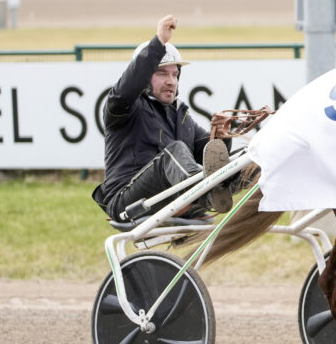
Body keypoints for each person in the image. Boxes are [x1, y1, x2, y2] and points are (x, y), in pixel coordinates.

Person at [92, 14, 232, 221]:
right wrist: (158, 43)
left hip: (167, 196)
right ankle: (203, 195)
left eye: (175, 75)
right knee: (174, 152)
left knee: (241, 158)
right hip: (125, 201)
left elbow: (211, 156)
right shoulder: (124, 106)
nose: (171, 82)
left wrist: (222, 136)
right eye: (161, 74)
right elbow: (126, 89)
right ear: (144, 78)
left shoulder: (181, 115)